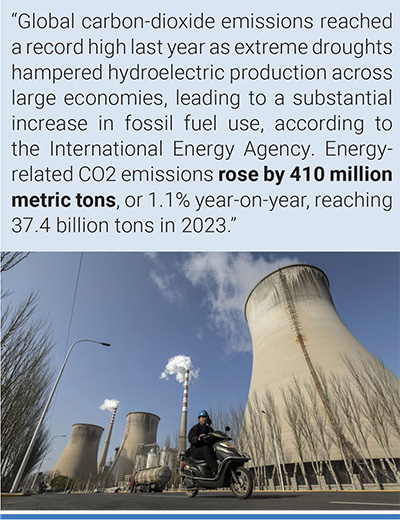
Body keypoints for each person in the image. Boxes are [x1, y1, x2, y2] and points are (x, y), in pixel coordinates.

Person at [188, 410, 218, 475]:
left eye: (205, 417)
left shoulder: (209, 429)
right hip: (196, 450)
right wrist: (198, 438)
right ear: (199, 418)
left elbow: (214, 436)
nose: (204, 419)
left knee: (217, 450)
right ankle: (216, 470)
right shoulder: (195, 428)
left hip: (207, 450)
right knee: (205, 448)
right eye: (202, 417)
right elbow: (191, 438)